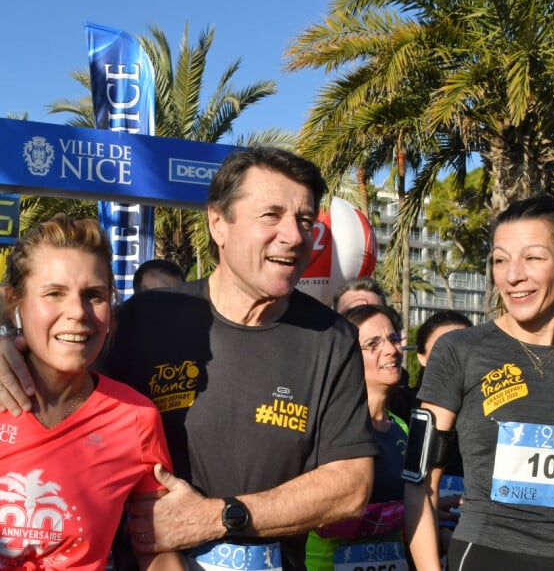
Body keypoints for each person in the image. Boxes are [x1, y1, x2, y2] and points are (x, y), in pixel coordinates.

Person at [0, 147, 377, 570]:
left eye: (305, 220)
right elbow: (63, 357)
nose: (293, 235)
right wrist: (9, 344)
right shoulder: (145, 318)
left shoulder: (333, 339)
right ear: (218, 222)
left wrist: (219, 517)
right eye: (270, 215)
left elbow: (351, 486)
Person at [404, 195, 554, 571]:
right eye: (501, 260)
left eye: (533, 258)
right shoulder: (459, 350)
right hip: (485, 556)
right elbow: (419, 482)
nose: (513, 275)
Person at [0, 214, 183, 570]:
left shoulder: (135, 417)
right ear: (14, 304)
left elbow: (157, 548)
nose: (77, 313)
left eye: (94, 295)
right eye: (54, 293)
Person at [306, 303, 409, 571]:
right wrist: (412, 510)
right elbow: (327, 521)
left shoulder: (402, 427)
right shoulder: (326, 426)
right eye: (373, 344)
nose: (390, 350)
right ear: (347, 355)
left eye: (394, 338)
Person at [415, 310, 473, 566]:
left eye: (465, 346)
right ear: (422, 357)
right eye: (445, 349)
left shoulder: (496, 418)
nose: (457, 358)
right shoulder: (408, 414)